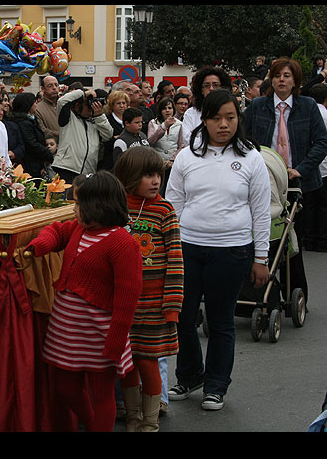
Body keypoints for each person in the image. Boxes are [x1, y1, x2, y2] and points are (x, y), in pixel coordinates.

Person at [165, 89, 271, 412]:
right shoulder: (187, 157)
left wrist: (261, 258)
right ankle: (190, 374)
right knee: (182, 317)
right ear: (204, 120)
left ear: (239, 119)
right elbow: (173, 205)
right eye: (216, 118)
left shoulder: (252, 158)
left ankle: (216, 385)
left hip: (232, 251)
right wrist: (167, 249)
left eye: (230, 117)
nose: (224, 124)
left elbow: (261, 211)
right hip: (187, 248)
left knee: (221, 320)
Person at [25, 170, 142, 432]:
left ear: (98, 205)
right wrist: (39, 245)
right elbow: (56, 232)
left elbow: (127, 299)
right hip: (67, 331)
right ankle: (91, 423)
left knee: (102, 395)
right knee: (64, 387)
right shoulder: (78, 228)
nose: (74, 209)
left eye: (78, 204)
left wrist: (115, 341)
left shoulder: (123, 244)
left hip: (99, 334)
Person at [244, 57, 327, 305]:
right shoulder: (258, 106)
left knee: (293, 241)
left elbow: (321, 142)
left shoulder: (308, 106)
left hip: (297, 181)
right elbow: (245, 139)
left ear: (295, 81)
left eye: (287, 75)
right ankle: (260, 293)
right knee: (263, 235)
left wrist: (300, 169)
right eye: (278, 75)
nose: (282, 79)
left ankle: (295, 293)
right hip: (265, 179)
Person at [114, 146, 183, 432]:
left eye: (158, 174)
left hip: (155, 305)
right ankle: (132, 417)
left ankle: (150, 423)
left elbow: (176, 259)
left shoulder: (164, 210)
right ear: (130, 176)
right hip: (123, 304)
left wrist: (172, 304)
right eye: (148, 175)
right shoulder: (117, 208)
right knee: (126, 363)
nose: (156, 181)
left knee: (148, 362)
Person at [51, 87, 113, 183]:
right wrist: (83, 93)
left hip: (87, 172)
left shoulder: (96, 122)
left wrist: (99, 115)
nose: (90, 107)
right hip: (67, 169)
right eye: (87, 104)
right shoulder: (69, 119)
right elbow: (62, 102)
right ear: (77, 106)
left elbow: (108, 135)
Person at [181, 66, 232, 146]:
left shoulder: (231, 111)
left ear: (222, 87)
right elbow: (188, 141)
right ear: (201, 90)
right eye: (207, 86)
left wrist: (199, 137)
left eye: (215, 85)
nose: (211, 89)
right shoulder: (191, 113)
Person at [9, 92, 53, 178]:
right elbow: (32, 144)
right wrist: (48, 154)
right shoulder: (24, 123)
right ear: (28, 105)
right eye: (35, 103)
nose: (36, 105)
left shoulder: (31, 120)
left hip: (35, 163)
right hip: (29, 165)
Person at [305, 82, 327, 251]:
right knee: (323, 206)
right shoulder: (324, 114)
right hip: (324, 169)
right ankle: (321, 240)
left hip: (308, 167)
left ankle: (309, 238)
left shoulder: (306, 114)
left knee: (310, 205)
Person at [147, 97, 185, 191]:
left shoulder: (179, 124)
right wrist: (164, 126)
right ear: (160, 110)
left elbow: (182, 145)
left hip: (173, 164)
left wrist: (172, 160)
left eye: (170, 108)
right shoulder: (153, 123)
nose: (167, 111)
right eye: (164, 108)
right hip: (157, 162)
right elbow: (151, 140)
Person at [99, 90, 130, 171]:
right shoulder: (108, 120)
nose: (122, 106)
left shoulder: (130, 119)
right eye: (118, 103)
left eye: (124, 103)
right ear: (112, 106)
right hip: (111, 160)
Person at [0, 99, 25, 166]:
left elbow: (21, 145)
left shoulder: (13, 126)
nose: (1, 113)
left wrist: (14, 153)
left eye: (2, 110)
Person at [35, 75, 60, 144]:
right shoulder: (38, 109)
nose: (54, 88)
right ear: (43, 89)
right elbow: (43, 130)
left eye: (56, 85)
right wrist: (61, 134)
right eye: (50, 86)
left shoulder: (64, 104)